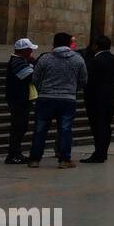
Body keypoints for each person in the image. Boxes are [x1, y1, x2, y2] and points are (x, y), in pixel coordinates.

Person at [28, 32, 88, 169]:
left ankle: (34, 159)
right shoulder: (78, 59)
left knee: (40, 129)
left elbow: (35, 78)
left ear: (54, 43)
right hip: (67, 99)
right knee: (65, 130)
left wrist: (43, 89)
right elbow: (83, 80)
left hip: (46, 98)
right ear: (68, 43)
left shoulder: (45, 58)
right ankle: (64, 160)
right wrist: (73, 90)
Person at [82, 36, 114, 163]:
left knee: (97, 125)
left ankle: (99, 152)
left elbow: (89, 79)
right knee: (106, 125)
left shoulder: (95, 61)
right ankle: (103, 152)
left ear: (96, 46)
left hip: (95, 97)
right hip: (110, 95)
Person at [4, 38, 38, 165]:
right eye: (29, 50)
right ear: (23, 51)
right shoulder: (17, 62)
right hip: (18, 99)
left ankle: (16, 153)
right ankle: (13, 154)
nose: (31, 52)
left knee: (21, 126)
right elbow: (31, 76)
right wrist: (34, 64)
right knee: (18, 127)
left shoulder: (21, 61)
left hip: (21, 99)